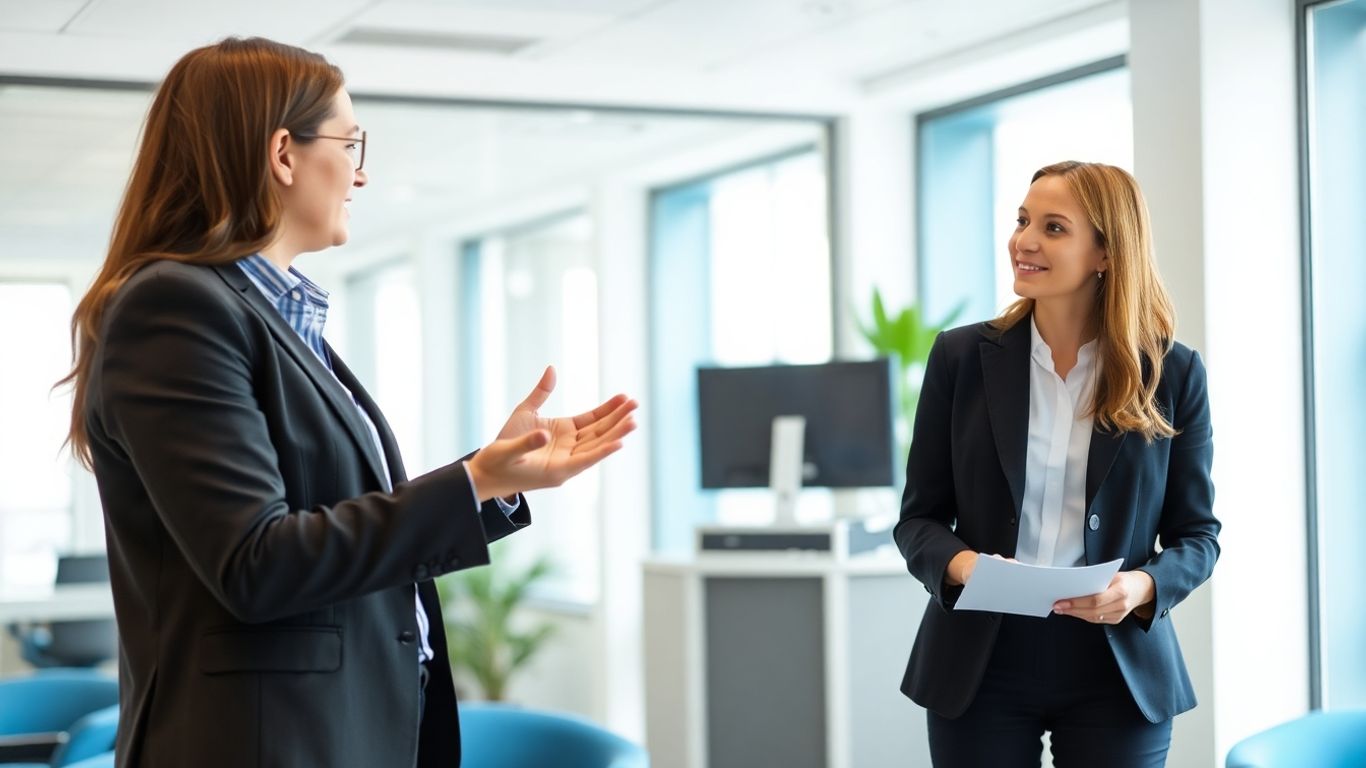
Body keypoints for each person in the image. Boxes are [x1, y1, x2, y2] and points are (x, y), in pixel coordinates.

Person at [59, 37, 637, 768]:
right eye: (351, 142)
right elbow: (256, 562)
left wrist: (497, 475)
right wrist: (474, 483)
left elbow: (323, 517)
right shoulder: (178, 307)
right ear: (283, 154)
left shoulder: (264, 315)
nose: (361, 175)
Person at [893, 161, 1220, 767]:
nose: (1024, 241)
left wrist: (1141, 586)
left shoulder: (1171, 374)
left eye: (1053, 227)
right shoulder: (960, 358)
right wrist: (965, 565)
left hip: (1116, 665)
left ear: (1104, 253)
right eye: (1022, 221)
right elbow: (918, 520)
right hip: (981, 661)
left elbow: (1197, 536)